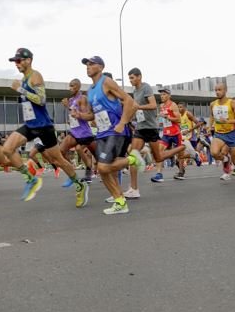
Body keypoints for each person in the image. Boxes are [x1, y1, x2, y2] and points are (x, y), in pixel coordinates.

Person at [1, 48, 89, 206]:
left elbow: (41, 100)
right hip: (30, 124)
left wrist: (20, 90)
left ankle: (79, 184)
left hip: (43, 125)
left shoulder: (35, 76)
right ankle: (31, 179)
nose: (16, 64)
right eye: (15, 61)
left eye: (19, 60)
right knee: (7, 149)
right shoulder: (23, 79)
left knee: (59, 160)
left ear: (28, 61)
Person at [79, 56, 139, 215]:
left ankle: (133, 159)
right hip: (102, 133)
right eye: (86, 64)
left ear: (101, 67)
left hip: (115, 131)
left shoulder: (107, 82)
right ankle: (120, 202)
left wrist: (123, 122)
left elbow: (128, 100)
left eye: (91, 64)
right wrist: (81, 115)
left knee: (103, 167)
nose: (88, 66)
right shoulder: (90, 91)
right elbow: (93, 114)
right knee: (103, 170)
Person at [125, 68, 161, 196]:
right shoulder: (134, 91)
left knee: (159, 157)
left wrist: (138, 106)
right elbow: (135, 109)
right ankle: (134, 189)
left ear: (139, 77)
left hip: (151, 127)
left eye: (132, 77)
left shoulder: (146, 88)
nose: (130, 80)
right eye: (129, 78)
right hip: (140, 127)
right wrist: (126, 120)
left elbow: (153, 105)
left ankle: (182, 149)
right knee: (133, 155)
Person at [208, 83, 235, 192]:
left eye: (219, 90)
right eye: (215, 90)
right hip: (219, 133)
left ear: (225, 90)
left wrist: (228, 121)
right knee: (214, 153)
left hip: (232, 134)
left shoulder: (232, 103)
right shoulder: (213, 104)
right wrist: (209, 126)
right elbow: (211, 116)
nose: (217, 92)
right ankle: (225, 159)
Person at [59, 78, 96, 186]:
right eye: (69, 86)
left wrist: (68, 107)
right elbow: (73, 115)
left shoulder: (82, 98)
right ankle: (72, 173)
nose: (70, 88)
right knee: (61, 150)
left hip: (84, 133)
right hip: (74, 132)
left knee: (96, 156)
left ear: (78, 87)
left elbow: (84, 115)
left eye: (73, 86)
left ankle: (90, 169)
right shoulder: (70, 100)